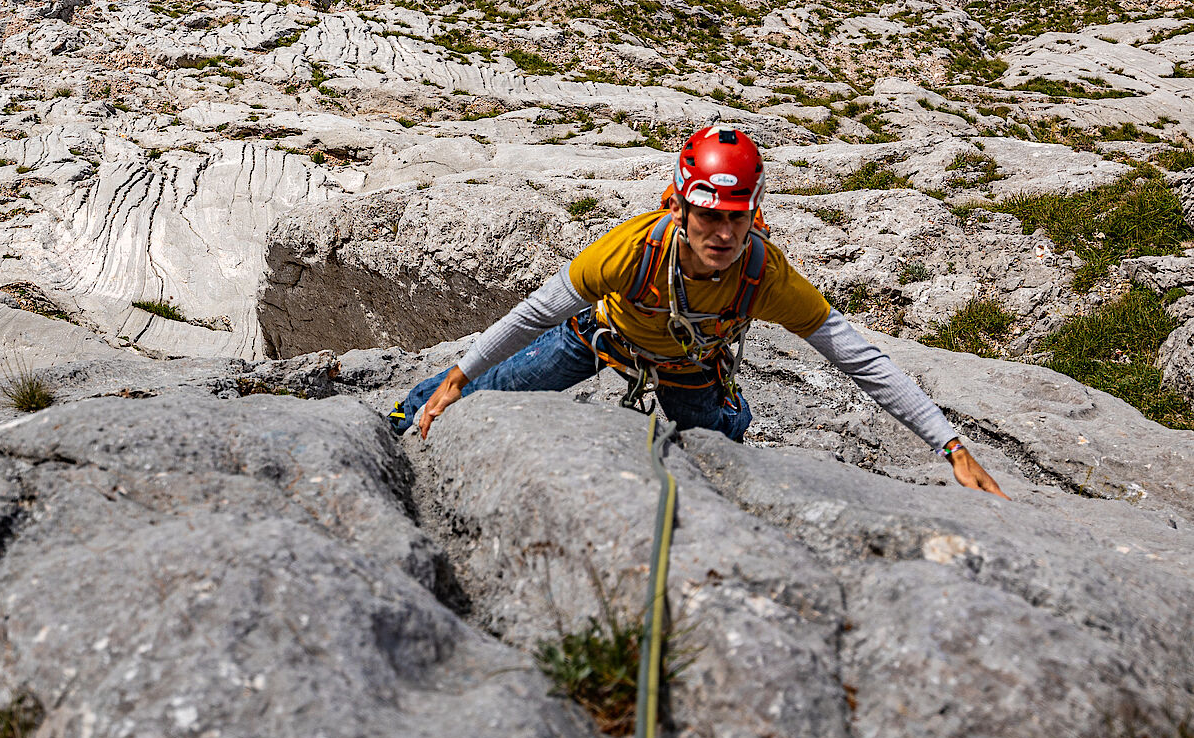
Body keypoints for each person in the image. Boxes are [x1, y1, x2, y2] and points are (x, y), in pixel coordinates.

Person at [390, 126, 1008, 499]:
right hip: (601, 336)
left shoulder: (766, 274)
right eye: (708, 215)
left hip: (689, 366)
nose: (721, 232)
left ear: (752, 216)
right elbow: (535, 314)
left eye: (735, 218)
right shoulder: (632, 250)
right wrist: (455, 380)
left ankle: (729, 413)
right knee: (495, 388)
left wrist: (951, 445)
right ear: (681, 209)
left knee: (716, 447)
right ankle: (402, 418)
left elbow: (858, 358)